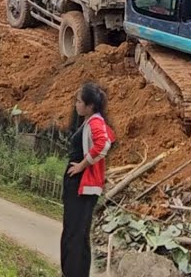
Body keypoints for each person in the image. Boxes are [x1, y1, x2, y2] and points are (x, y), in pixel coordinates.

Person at [61, 82, 115, 277]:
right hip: (81, 186)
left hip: (82, 186)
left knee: (74, 235)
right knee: (79, 234)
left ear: (90, 105)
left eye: (79, 102)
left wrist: (82, 165)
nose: (76, 105)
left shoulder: (94, 122)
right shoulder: (92, 121)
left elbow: (104, 144)